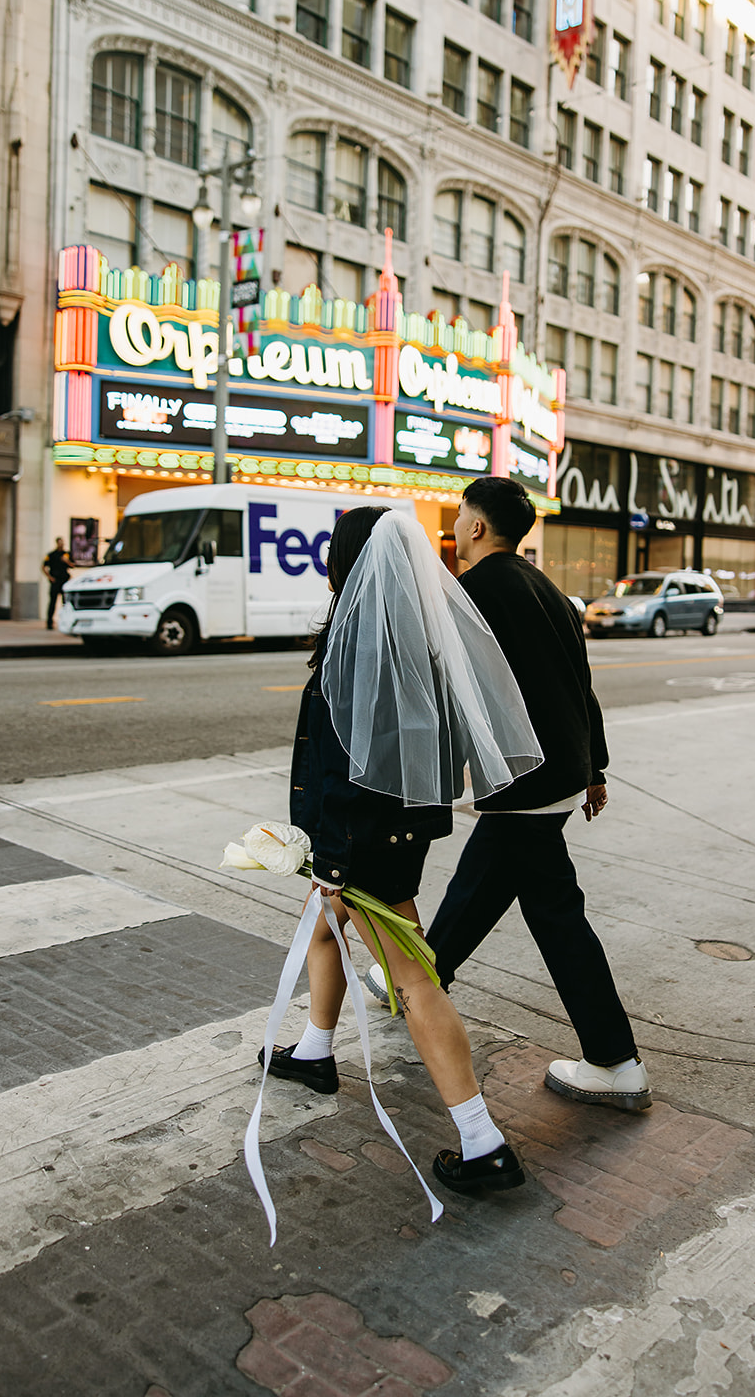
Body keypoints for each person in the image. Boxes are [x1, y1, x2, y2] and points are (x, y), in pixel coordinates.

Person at [263, 505, 543, 1194]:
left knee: (414, 982)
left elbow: (341, 767)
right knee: (326, 932)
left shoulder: (358, 643)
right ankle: (314, 1049)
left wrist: (330, 861)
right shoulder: (415, 637)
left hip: (357, 839)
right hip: (396, 831)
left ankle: (482, 1140)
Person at [371, 476, 650, 1111]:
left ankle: (615, 1061)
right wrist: (594, 768)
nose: (456, 525)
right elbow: (582, 683)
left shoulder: (471, 593)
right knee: (483, 883)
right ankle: (418, 980)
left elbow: (435, 686)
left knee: (555, 913)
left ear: (475, 526)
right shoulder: (547, 588)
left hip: (522, 778)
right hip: (558, 772)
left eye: (461, 514)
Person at [42, 537, 72, 629]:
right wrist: (50, 577)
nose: (61, 544)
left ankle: (65, 621)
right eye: (59, 543)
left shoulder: (66, 554)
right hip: (55, 580)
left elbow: (73, 565)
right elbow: (44, 566)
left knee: (65, 603)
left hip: (64, 581)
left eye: (62, 543)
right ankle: (49, 622)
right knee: (52, 602)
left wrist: (66, 561)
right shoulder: (51, 555)